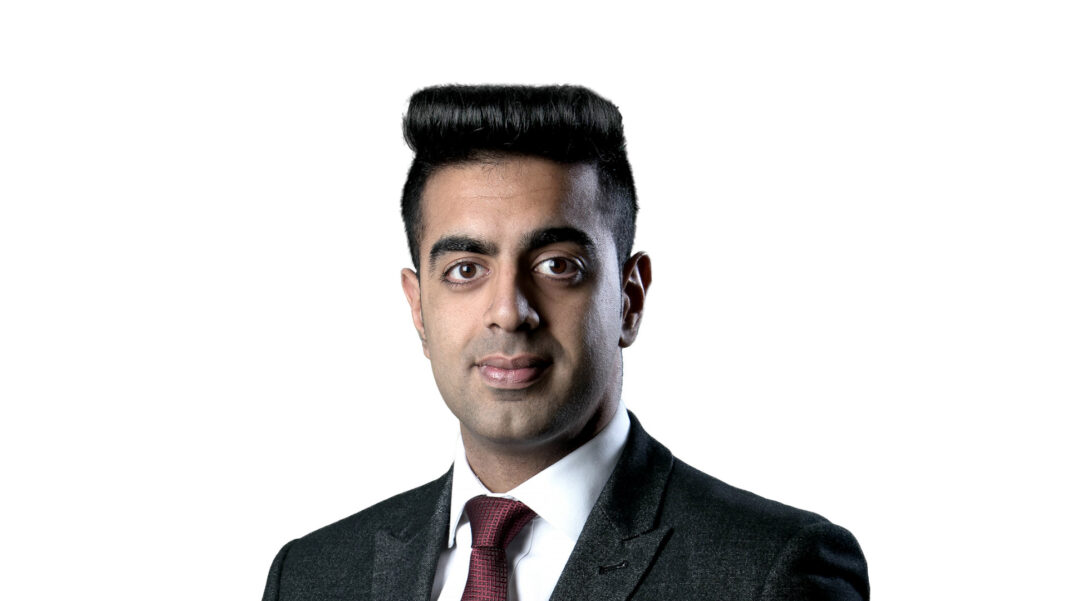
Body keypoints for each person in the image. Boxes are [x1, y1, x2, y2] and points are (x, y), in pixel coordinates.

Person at [261, 85, 869, 601]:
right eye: (466, 270)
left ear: (629, 299)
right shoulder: (312, 578)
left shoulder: (773, 571)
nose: (509, 312)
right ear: (418, 308)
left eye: (557, 266)